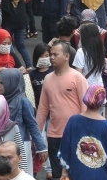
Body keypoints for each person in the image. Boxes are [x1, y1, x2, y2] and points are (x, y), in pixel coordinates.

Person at [36, 41, 88, 180]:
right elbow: (43, 108)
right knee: (57, 174)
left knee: (74, 173)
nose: (51, 57)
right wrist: (36, 135)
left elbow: (85, 106)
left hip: (74, 134)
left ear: (66, 56)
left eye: (55, 54)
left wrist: (82, 131)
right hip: (54, 134)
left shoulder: (78, 78)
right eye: (50, 54)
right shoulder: (47, 78)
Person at [59, 85, 107, 180]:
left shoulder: (73, 120)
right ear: (102, 101)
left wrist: (64, 173)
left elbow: (65, 149)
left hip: (78, 175)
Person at [0, 68, 48, 175]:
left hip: (21, 145)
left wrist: (41, 147)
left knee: (21, 173)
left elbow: (32, 125)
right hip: (3, 144)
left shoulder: (23, 102)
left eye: (2, 83)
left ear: (12, 83)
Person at [0, 0, 31, 67]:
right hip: (22, 20)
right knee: (21, 45)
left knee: (8, 46)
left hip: (9, 22)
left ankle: (14, 66)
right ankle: (29, 65)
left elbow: (6, 9)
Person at [30, 43, 54, 109]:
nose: (44, 58)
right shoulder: (32, 74)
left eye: (46, 56)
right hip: (39, 106)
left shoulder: (54, 71)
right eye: (41, 56)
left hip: (53, 106)